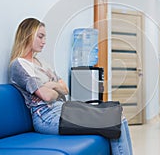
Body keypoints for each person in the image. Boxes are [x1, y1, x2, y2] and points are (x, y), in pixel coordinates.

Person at [9, 18, 133, 155]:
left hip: (64, 108)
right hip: (47, 117)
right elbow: (47, 95)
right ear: (27, 35)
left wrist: (50, 85)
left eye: (45, 37)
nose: (44, 41)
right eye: (40, 36)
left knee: (119, 116)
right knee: (114, 122)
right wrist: (55, 88)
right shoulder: (19, 65)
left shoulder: (42, 63)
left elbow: (65, 89)